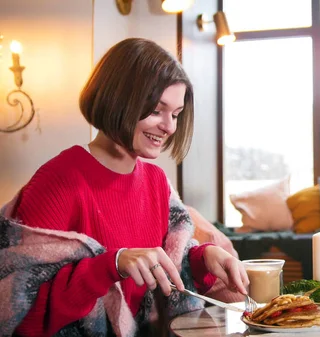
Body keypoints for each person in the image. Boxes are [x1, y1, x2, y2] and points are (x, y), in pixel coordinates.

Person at [0, 38, 249, 336]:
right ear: (120, 99)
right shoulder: (58, 181)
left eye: (176, 114)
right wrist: (111, 265)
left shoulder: (157, 181)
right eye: (157, 110)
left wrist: (203, 258)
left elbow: (166, 269)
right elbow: (19, 317)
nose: (169, 127)